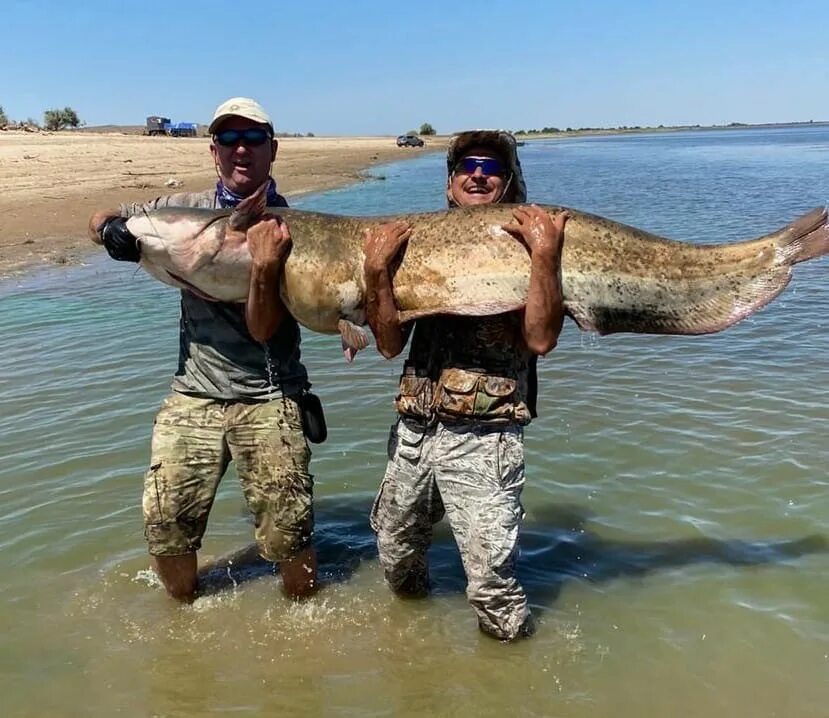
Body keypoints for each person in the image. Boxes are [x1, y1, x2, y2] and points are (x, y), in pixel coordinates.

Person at [87, 97, 318, 602]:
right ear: (213, 151)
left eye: (253, 139)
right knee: (166, 527)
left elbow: (264, 328)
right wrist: (109, 231)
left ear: (272, 150)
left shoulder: (288, 227)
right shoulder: (183, 210)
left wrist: (264, 267)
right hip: (194, 392)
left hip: (271, 393)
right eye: (230, 139)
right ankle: (184, 616)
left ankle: (301, 633)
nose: (242, 149)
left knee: (290, 537)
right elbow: (103, 213)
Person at [363, 130, 568, 640]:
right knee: (395, 557)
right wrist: (375, 272)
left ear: (507, 181)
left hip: (485, 438)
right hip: (414, 433)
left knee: (491, 587)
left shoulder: (528, 239)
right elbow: (389, 345)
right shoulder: (416, 240)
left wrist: (544, 257)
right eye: (467, 166)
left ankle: (509, 683)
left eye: (492, 167)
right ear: (451, 183)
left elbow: (541, 339)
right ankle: (415, 663)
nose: (478, 173)